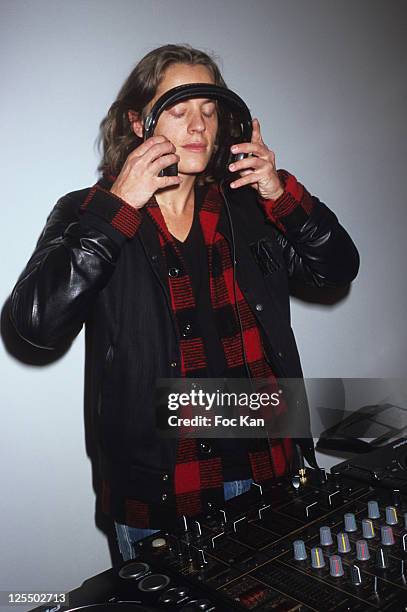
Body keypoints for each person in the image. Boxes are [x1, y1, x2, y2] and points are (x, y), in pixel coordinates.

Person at [9, 44, 359, 562]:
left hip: (275, 472)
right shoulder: (89, 211)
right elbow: (35, 324)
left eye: (209, 112)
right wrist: (116, 211)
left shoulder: (249, 207)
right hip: (164, 499)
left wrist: (278, 193)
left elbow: (337, 269)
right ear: (138, 120)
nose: (198, 126)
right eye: (179, 109)